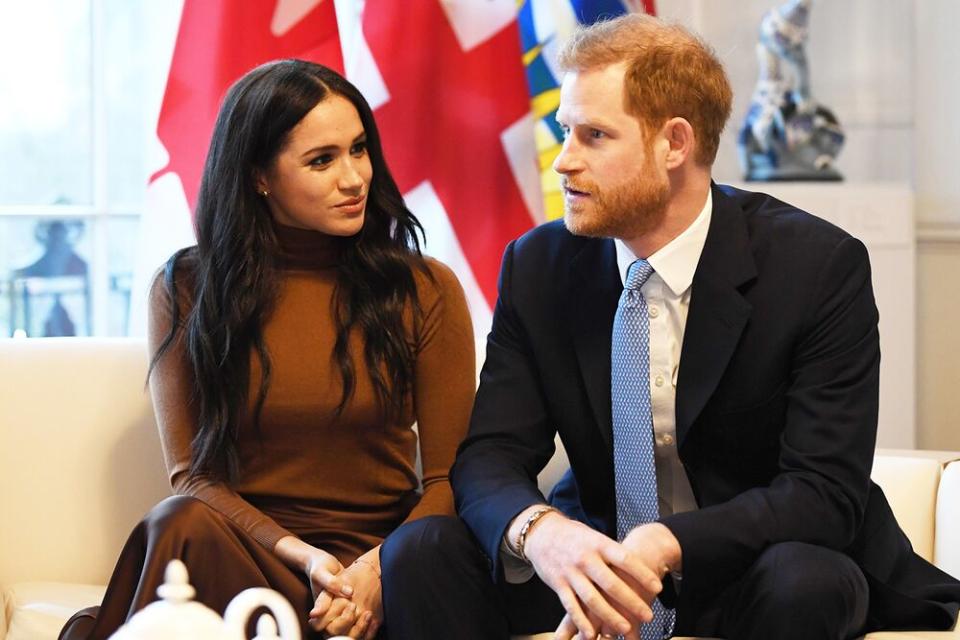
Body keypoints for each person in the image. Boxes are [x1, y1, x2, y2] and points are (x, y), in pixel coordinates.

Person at [379, 14, 960, 640]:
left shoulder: (817, 267)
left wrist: (667, 543)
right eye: (564, 131)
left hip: (751, 566)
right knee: (419, 552)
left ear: (675, 144)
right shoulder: (539, 264)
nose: (564, 162)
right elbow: (491, 453)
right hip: (594, 563)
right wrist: (541, 533)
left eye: (595, 136)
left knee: (807, 580)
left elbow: (822, 493)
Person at [58, 59, 475, 640]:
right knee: (181, 522)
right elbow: (194, 477)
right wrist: (305, 558)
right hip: (252, 551)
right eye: (322, 160)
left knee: (426, 553)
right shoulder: (185, 287)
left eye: (359, 149)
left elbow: (448, 479)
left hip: (382, 560)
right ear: (259, 176)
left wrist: (372, 571)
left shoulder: (424, 287)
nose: (355, 178)